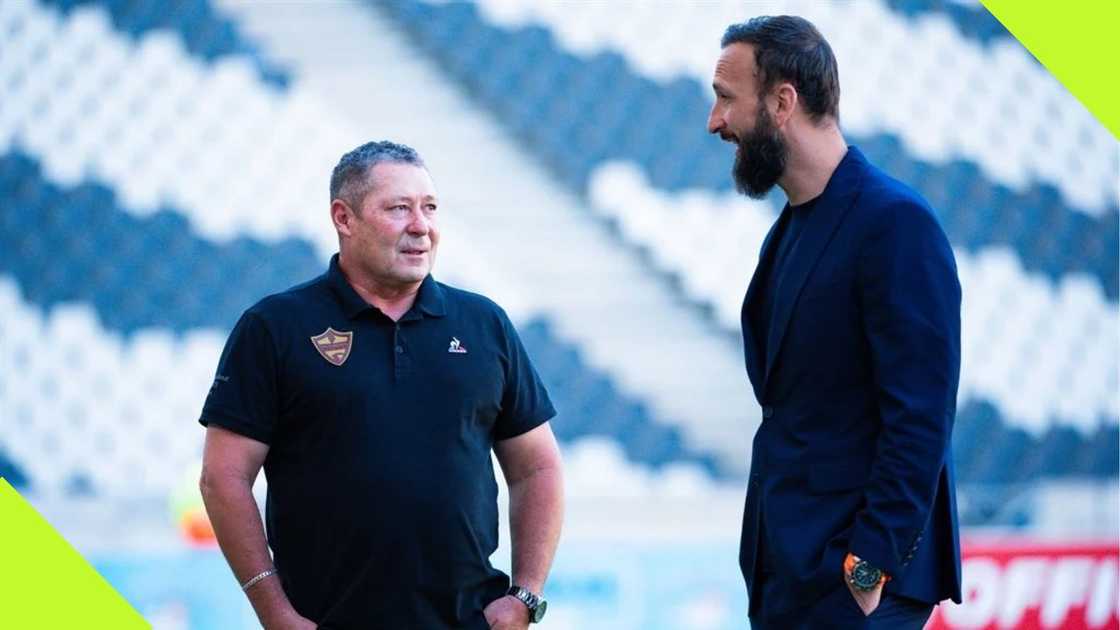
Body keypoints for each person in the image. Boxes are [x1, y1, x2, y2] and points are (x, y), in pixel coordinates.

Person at [198, 141, 563, 629]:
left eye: (429, 208)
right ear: (344, 219)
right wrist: (275, 612)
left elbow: (537, 467)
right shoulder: (274, 327)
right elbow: (223, 477)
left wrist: (526, 594)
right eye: (399, 209)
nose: (421, 226)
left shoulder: (483, 323)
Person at [706, 16, 963, 629]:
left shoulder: (895, 223)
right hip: (792, 576)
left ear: (782, 101)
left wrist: (869, 563)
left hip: (855, 583)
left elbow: (921, 413)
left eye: (724, 99)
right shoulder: (789, 232)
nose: (715, 122)